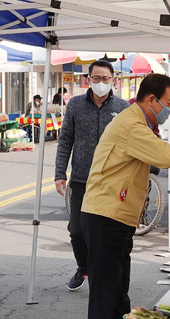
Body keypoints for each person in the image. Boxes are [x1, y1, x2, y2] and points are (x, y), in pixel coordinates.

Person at [80, 74, 170, 319]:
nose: (169, 109)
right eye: (168, 103)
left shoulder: (140, 122)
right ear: (152, 99)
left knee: (119, 286)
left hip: (117, 216)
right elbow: (157, 151)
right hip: (105, 214)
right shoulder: (132, 124)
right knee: (107, 287)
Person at [55, 61, 129, 291]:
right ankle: (83, 267)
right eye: (96, 78)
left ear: (113, 80)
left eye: (105, 79)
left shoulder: (123, 107)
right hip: (81, 179)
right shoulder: (76, 105)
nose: (100, 83)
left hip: (110, 183)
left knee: (104, 233)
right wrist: (60, 173)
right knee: (77, 231)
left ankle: (102, 274)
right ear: (88, 79)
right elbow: (66, 139)